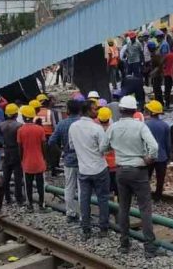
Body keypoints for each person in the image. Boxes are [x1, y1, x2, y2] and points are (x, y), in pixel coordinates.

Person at [102, 95, 161, 258]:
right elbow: (154, 146)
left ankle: (124, 244)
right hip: (138, 170)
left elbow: (104, 147)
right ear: (135, 110)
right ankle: (149, 247)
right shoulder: (140, 126)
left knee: (123, 207)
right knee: (145, 209)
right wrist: (149, 158)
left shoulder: (113, 128)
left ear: (120, 110)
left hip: (121, 171)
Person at [69, 99, 110, 239]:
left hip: (83, 169)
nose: (96, 111)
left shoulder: (73, 127)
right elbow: (104, 148)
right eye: (94, 109)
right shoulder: (97, 128)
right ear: (87, 111)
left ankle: (86, 228)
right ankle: (103, 227)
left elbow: (71, 146)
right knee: (103, 198)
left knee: (84, 199)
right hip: (99, 168)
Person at [47, 99, 81, 222]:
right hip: (83, 160)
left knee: (69, 187)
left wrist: (61, 152)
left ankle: (70, 213)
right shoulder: (83, 123)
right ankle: (83, 214)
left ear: (68, 110)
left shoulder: (62, 124)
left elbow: (51, 141)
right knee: (83, 188)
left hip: (68, 160)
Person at [0, 103, 24, 205]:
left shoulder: (2, 125)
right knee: (18, 177)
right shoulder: (19, 126)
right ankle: (19, 199)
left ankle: (7, 198)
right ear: (16, 114)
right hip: (16, 152)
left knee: (6, 177)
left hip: (6, 151)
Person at [17, 105, 49, 212]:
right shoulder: (40, 129)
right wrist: (44, 158)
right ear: (33, 116)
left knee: (28, 185)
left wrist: (21, 159)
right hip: (39, 162)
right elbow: (44, 145)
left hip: (27, 162)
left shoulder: (20, 130)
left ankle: (29, 205)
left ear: (23, 116)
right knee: (41, 185)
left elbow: (20, 148)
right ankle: (41, 205)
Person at [145, 101, 170, 202]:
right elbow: (168, 143)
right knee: (160, 179)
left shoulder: (145, 125)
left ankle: (145, 195)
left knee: (146, 177)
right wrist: (168, 156)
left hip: (148, 156)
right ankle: (158, 197)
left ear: (151, 112)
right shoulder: (165, 125)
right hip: (162, 156)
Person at [97, 107, 118, 199]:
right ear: (110, 117)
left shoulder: (96, 130)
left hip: (103, 165)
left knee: (106, 188)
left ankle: (108, 206)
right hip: (116, 164)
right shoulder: (114, 129)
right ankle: (118, 206)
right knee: (117, 188)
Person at [148, 40, 165, 106]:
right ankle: (159, 103)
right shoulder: (153, 54)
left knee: (157, 91)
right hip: (156, 75)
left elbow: (159, 65)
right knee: (156, 90)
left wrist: (153, 72)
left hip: (157, 75)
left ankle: (160, 104)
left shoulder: (156, 55)